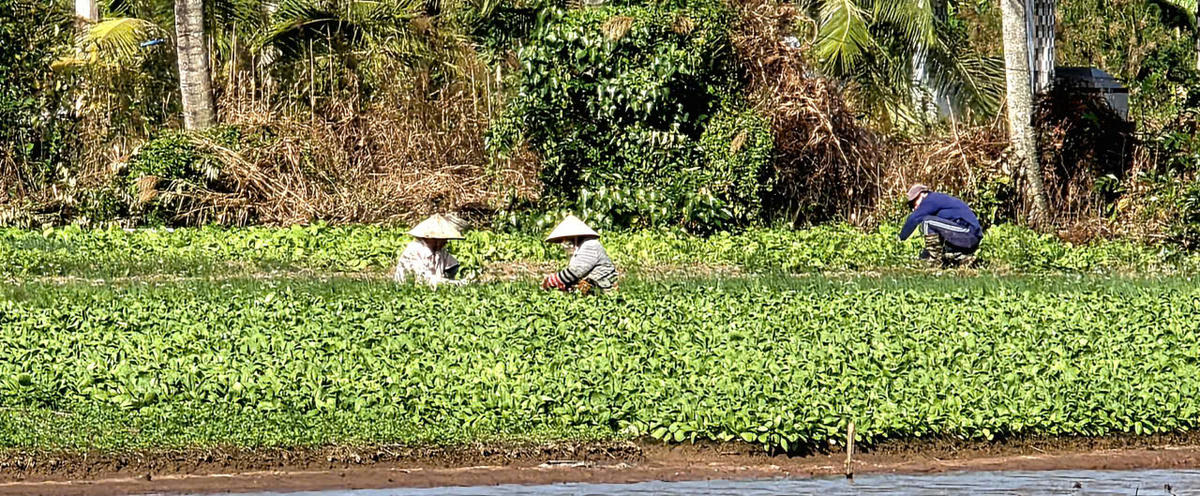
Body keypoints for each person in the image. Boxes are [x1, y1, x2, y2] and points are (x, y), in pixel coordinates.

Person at [899, 184, 983, 267]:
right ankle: (963, 259)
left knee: (927, 222)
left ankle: (935, 261)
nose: (914, 208)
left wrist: (899, 240)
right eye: (911, 206)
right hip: (965, 235)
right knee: (933, 230)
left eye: (914, 202)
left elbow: (914, 219)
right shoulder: (937, 200)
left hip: (969, 233)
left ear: (923, 194)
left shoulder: (930, 200)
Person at [541, 215, 619, 295]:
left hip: (603, 287)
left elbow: (575, 272)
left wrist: (551, 281)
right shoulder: (580, 247)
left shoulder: (590, 244)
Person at [394, 214, 467, 287]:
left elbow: (454, 266)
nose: (446, 242)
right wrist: (455, 283)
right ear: (431, 238)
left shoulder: (440, 251)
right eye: (442, 239)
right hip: (410, 288)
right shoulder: (414, 251)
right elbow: (424, 280)